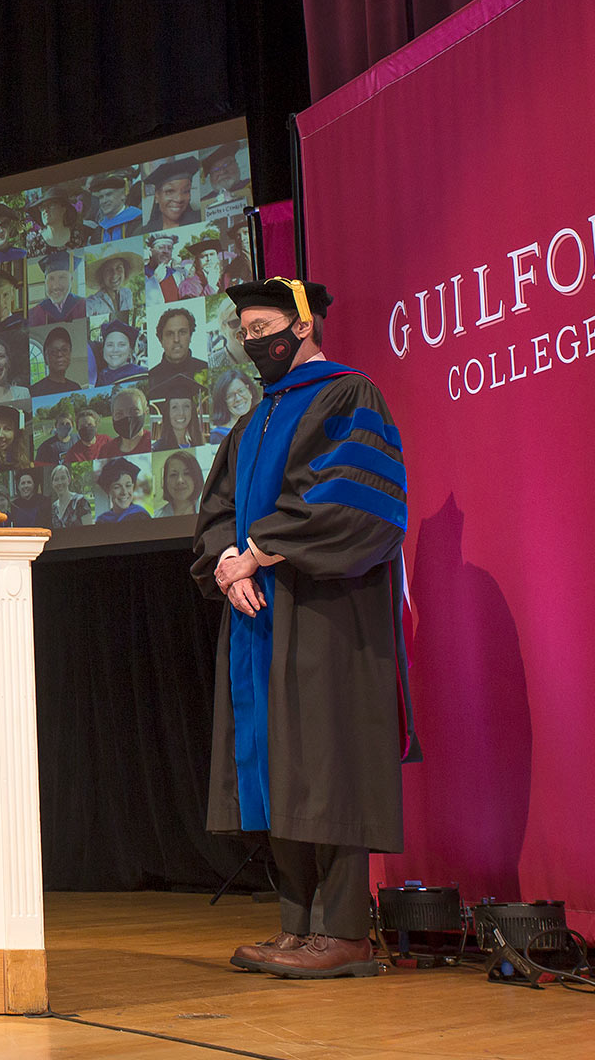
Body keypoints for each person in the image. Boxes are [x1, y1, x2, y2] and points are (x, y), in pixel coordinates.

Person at [193, 278, 413, 980]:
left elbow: (349, 498)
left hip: (326, 612)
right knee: (280, 769)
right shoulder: (252, 420)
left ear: (305, 325)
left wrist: (258, 553)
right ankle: (297, 927)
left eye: (265, 329)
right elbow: (218, 508)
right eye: (245, 333)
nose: (254, 342)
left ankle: (345, 933)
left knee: (330, 763)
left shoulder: (349, 395)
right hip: (262, 616)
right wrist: (229, 561)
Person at [148, 306, 209, 392]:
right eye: (170, 334)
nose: (176, 339)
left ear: (190, 336)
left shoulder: (206, 368)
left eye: (182, 332)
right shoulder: (150, 377)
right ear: (161, 340)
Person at [141, 156, 203, 232]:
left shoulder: (202, 220)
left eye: (186, 191)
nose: (179, 199)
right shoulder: (146, 231)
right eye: (170, 191)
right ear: (157, 197)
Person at [28, 191, 99, 253]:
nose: (45, 210)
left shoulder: (79, 235)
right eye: (42, 207)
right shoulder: (34, 242)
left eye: (51, 205)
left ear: (63, 209)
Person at [28, 251, 87, 325]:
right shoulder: (33, 315)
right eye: (51, 278)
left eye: (62, 277)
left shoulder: (84, 306)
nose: (56, 286)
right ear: (45, 282)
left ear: (71, 280)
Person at [152, 373, 208, 450]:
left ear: (192, 411)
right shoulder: (157, 448)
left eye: (186, 406)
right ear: (167, 412)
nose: (181, 412)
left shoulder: (198, 446)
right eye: (174, 407)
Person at [209, 368, 260, 443]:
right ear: (223, 402)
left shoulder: (262, 424)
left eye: (241, 391)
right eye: (230, 396)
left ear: (250, 392)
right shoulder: (217, 437)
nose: (238, 398)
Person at [84, 250, 140, 318]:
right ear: (102, 275)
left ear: (125, 270)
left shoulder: (127, 293)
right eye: (108, 270)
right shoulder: (95, 302)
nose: (114, 275)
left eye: (119, 268)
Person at [31, 326, 83, 396]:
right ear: (46, 357)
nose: (59, 354)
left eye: (64, 350)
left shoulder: (76, 388)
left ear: (70, 353)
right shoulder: (35, 391)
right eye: (53, 351)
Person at [88, 174, 141, 241]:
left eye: (109, 194)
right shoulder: (99, 231)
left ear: (122, 195)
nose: (104, 201)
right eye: (101, 197)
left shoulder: (138, 221)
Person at [94, 457, 149, 522]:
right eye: (117, 487)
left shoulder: (140, 515)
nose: (124, 492)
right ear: (108, 491)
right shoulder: (102, 520)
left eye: (128, 486)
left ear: (133, 487)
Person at [94, 319, 146, 387]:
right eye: (110, 345)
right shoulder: (98, 376)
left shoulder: (140, 374)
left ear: (130, 350)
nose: (115, 350)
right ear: (103, 349)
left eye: (122, 345)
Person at [104, 386, 153, 456]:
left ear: (145, 412)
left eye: (134, 411)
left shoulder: (154, 444)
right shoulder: (106, 450)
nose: (127, 418)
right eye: (119, 414)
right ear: (113, 418)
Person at [157, 449, 205, 517]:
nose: (180, 480)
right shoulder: (156, 516)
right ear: (165, 481)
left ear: (196, 478)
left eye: (187, 473)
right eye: (173, 474)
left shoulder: (209, 512)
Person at [143, 232, 186, 304]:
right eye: (161, 247)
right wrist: (154, 281)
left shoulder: (177, 275)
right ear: (151, 251)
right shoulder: (141, 274)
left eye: (169, 248)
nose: (166, 251)